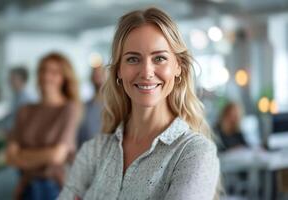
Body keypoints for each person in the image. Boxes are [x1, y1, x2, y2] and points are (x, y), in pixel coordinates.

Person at [59, 7, 220, 200]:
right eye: (133, 59)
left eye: (159, 58)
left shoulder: (194, 153)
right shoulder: (94, 151)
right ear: (118, 70)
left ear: (178, 66)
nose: (146, 72)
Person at [6, 52, 82, 200]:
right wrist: (44, 155)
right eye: (43, 70)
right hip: (25, 187)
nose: (46, 76)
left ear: (63, 78)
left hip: (54, 188)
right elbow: (10, 157)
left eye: (54, 72)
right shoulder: (25, 110)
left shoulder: (69, 109)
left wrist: (22, 155)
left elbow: (57, 156)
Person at [77, 66, 106, 148]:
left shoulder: (116, 106)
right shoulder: (83, 107)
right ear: (91, 78)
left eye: (100, 74)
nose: (98, 77)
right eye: (95, 74)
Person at [3, 66, 37, 132]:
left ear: (22, 80)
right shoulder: (17, 95)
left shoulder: (28, 98)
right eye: (10, 78)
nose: (10, 81)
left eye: (13, 78)